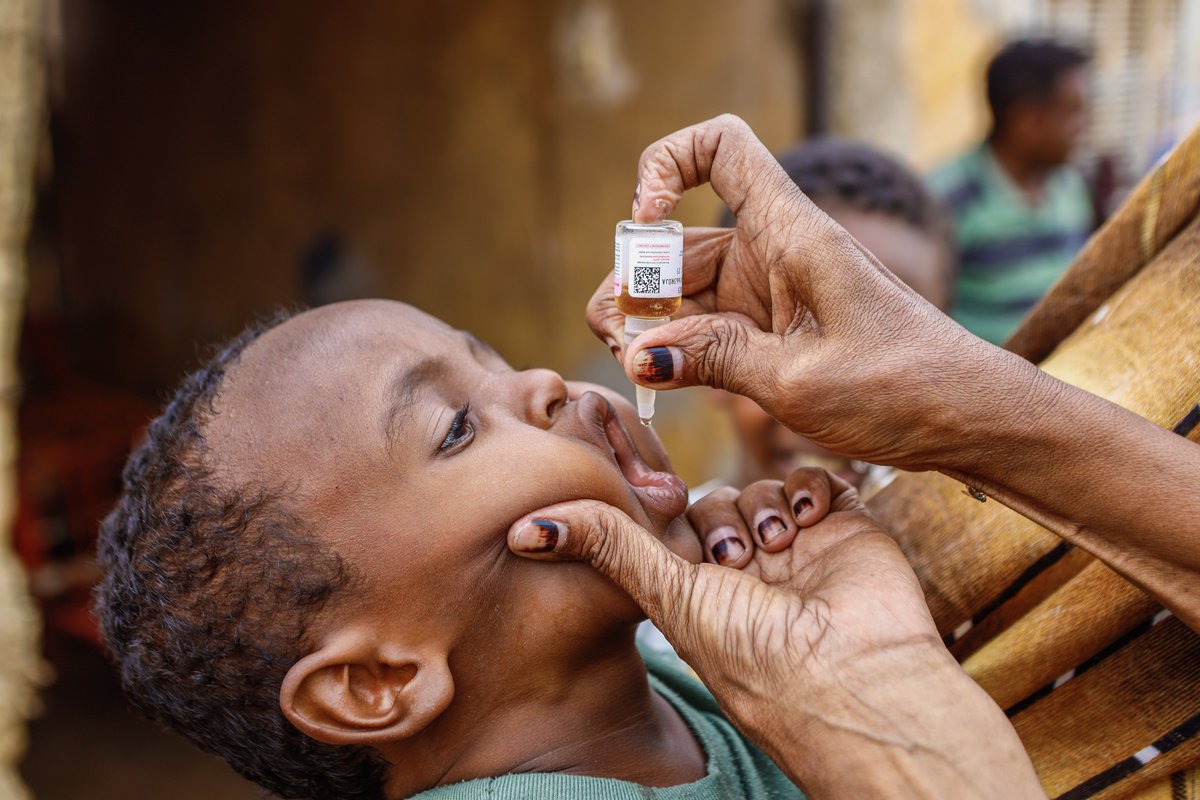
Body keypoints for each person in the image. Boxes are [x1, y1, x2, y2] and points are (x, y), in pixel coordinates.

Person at [97, 299, 989, 799]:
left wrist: (838, 651)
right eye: (454, 428)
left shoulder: (676, 667)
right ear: (377, 683)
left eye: (492, 356)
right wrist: (895, 686)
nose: (541, 383)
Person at [563, 113, 1200, 794]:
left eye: (870, 342)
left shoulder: (1026, 539)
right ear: (706, 364)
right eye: (783, 336)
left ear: (941, 336)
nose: (821, 416)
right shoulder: (660, 600)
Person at [715, 139, 953, 492]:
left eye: (889, 347)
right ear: (709, 355)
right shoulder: (646, 542)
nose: (829, 397)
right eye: (790, 334)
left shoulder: (986, 540)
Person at [929, 38, 1093, 344]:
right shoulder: (945, 198)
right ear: (1025, 121)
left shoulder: (1070, 186)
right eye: (1072, 113)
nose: (1082, 127)